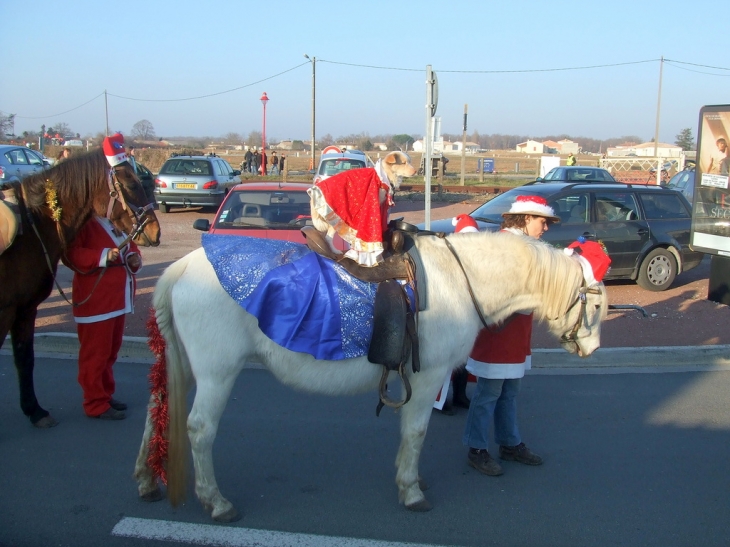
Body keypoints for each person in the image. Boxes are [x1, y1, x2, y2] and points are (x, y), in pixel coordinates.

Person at [462, 194, 560, 476]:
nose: (546, 228)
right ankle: (476, 448)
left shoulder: (524, 245)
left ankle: (509, 442)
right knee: (489, 391)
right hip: (498, 331)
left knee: (509, 391)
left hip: (515, 331)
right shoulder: (505, 245)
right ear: (527, 218)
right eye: (543, 222)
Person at [63, 134, 142, 420]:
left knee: (110, 352)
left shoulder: (112, 219)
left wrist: (134, 258)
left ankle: (104, 395)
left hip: (117, 298)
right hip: (95, 300)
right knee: (95, 355)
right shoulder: (82, 222)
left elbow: (130, 245)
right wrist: (101, 258)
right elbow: (71, 254)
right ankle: (94, 403)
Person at [436, 214, 479, 415]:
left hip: (467, 317)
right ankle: (440, 400)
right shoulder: (448, 257)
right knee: (445, 363)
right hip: (450, 316)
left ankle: (460, 395)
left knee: (464, 361)